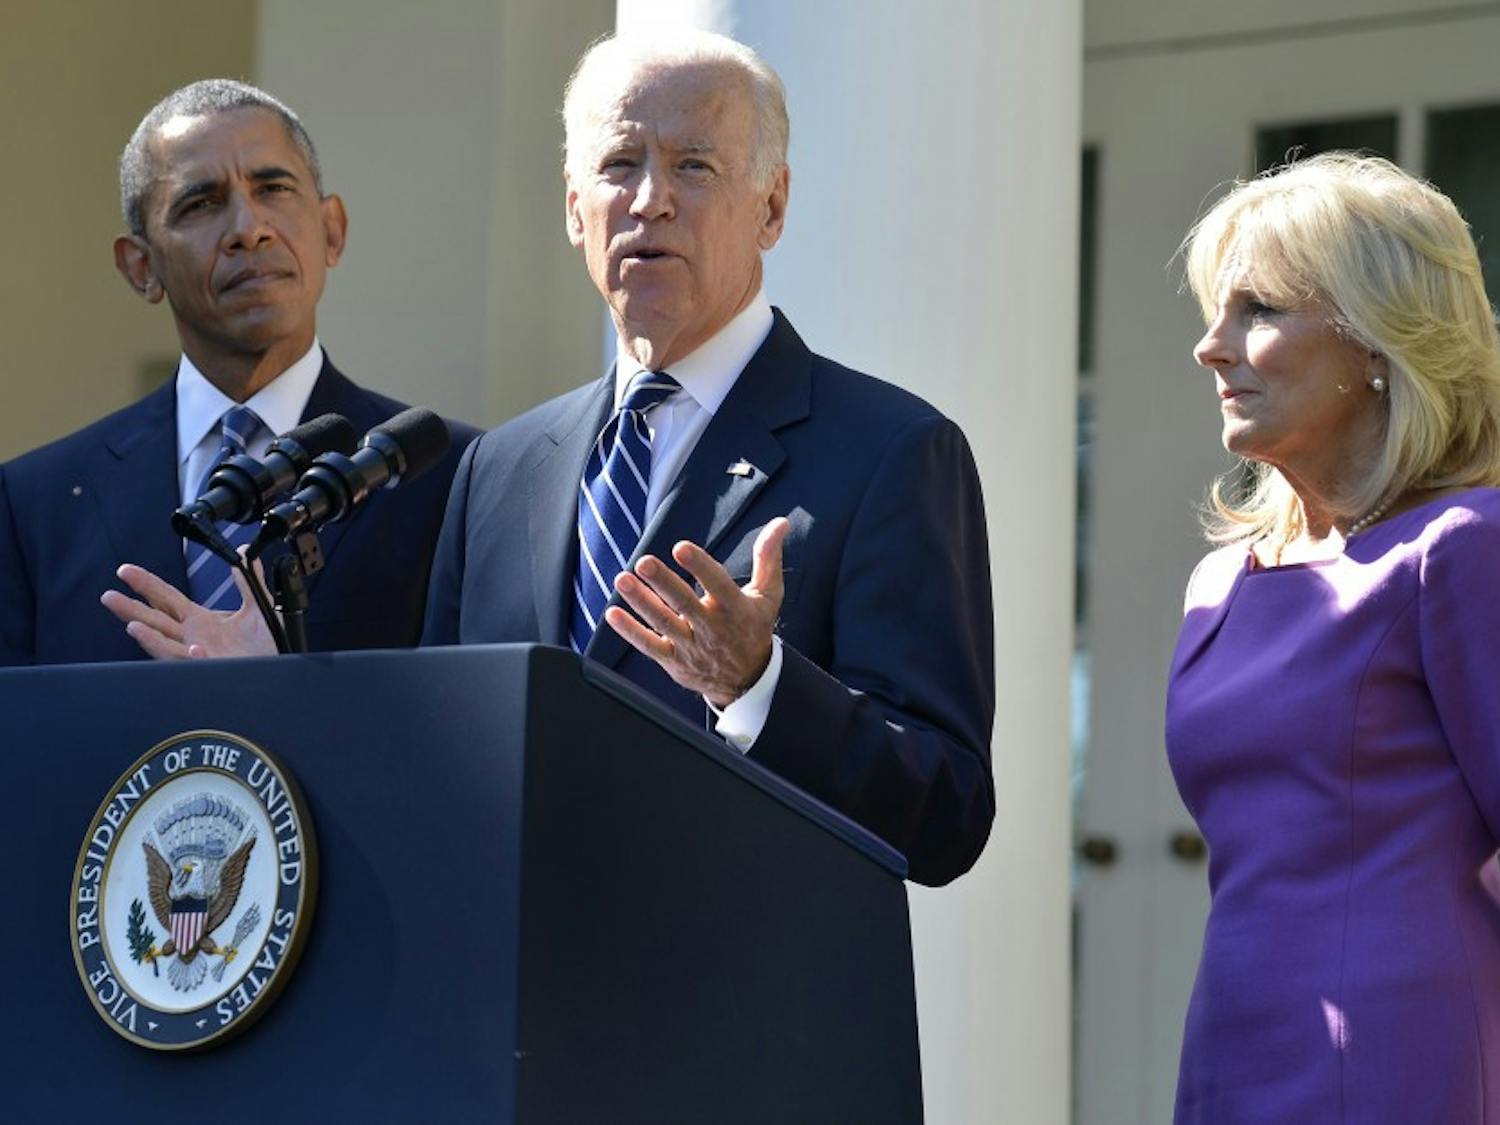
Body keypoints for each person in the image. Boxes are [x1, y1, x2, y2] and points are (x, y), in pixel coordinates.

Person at [420, 31, 996, 887]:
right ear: (574, 207)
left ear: (771, 206)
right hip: (512, 997)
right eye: (620, 164)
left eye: (694, 167)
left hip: (746, 1005)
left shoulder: (891, 450)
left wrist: (758, 685)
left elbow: (946, 814)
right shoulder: (499, 468)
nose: (650, 201)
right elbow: (438, 760)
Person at [1170, 152, 1500, 1121]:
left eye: (1258, 311)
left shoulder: (1463, 550)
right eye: (1213, 313)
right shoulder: (1219, 581)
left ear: (1376, 343)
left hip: (1402, 1052)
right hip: (1232, 1036)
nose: (1211, 348)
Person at [0, 80, 477, 665]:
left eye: (273, 188)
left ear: (332, 230)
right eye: (200, 203)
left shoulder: (449, 474)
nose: (248, 229)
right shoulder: (36, 506)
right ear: (141, 267)